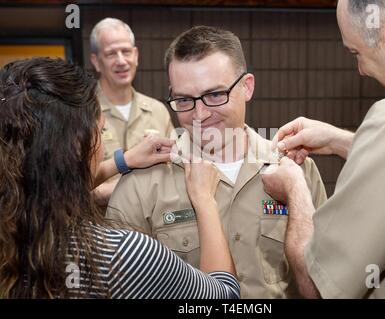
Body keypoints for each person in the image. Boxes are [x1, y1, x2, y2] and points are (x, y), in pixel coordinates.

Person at [106, 26, 328, 298]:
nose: (200, 114)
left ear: (247, 87)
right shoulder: (141, 184)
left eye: (214, 95)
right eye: (185, 99)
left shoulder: (296, 170)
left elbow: (326, 276)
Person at [0, 57, 239, 299]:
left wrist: (122, 161)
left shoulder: (13, 233)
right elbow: (223, 296)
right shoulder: (123, 255)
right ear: (81, 144)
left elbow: (40, 184)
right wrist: (204, 200)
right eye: (101, 130)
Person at [262, 0, 385, 298]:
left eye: (357, 53)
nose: (361, 70)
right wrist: (343, 141)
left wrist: (295, 190)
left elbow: (317, 285)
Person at [89, 18, 174, 204]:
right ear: (96, 61)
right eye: (111, 53)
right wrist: (123, 191)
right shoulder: (83, 112)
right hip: (102, 228)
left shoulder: (158, 111)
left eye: (126, 51)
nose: (121, 61)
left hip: (151, 228)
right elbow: (68, 187)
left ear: (136, 55)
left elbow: (174, 170)